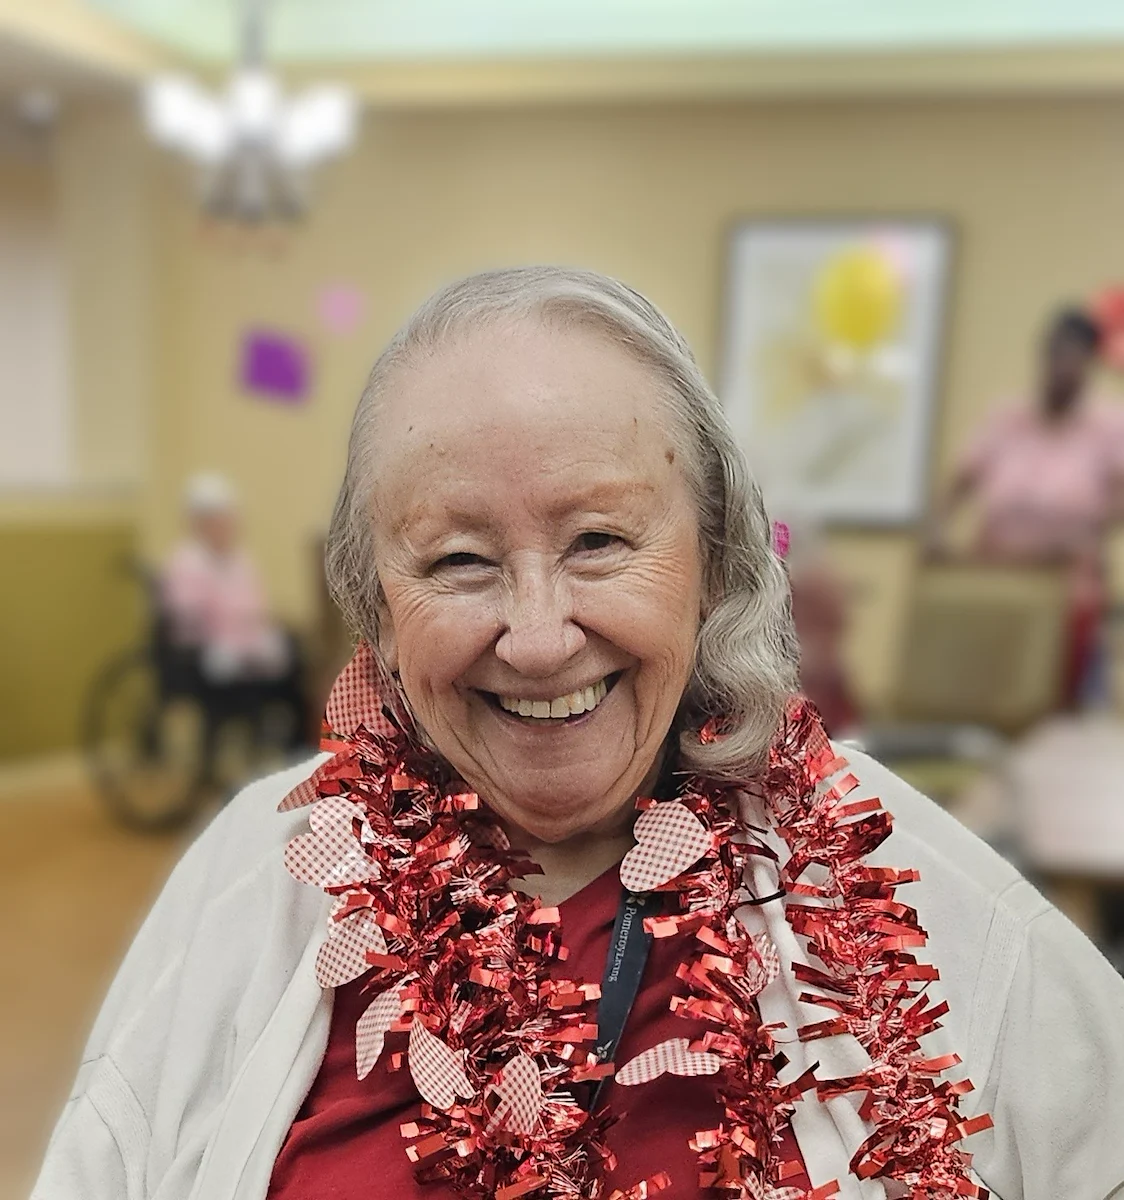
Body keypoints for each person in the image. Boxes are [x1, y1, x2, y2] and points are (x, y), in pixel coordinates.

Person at [34, 269, 1124, 1200]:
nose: (541, 637)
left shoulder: (898, 882)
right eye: (459, 561)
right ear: (377, 609)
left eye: (598, 540)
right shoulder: (256, 874)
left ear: (713, 565)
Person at [928, 308, 1124, 702]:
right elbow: (959, 483)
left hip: (1069, 594)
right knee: (990, 699)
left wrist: (1087, 530)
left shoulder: (1106, 426)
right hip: (999, 591)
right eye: (1056, 355)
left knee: (1065, 717)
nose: (1062, 368)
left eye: (1074, 358)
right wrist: (937, 531)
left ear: (1089, 365)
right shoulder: (1007, 419)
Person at [163, 473, 292, 685]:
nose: (224, 527)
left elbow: (257, 604)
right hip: (205, 646)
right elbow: (188, 616)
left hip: (247, 637)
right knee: (227, 664)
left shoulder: (240, 560)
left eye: (227, 519)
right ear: (199, 523)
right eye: (216, 520)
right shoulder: (186, 562)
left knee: (284, 653)